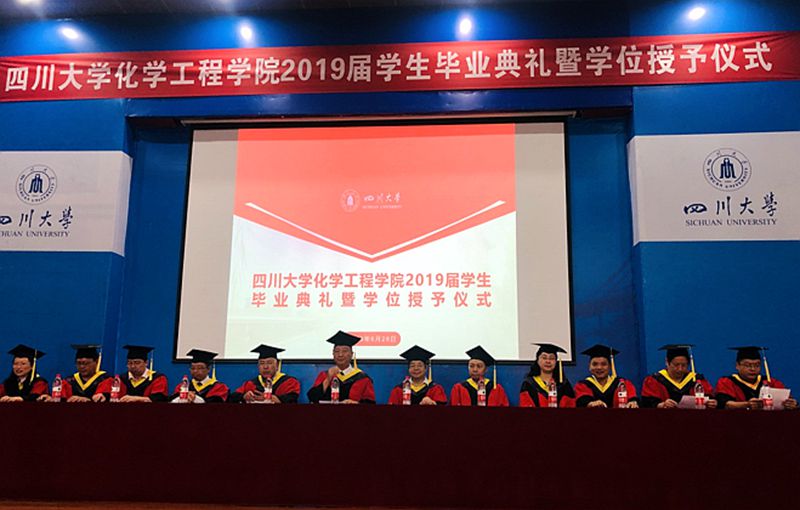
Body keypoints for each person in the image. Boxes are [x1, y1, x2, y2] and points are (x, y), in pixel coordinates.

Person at [715, 346, 797, 410]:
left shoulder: (771, 382)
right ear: (737, 365)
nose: (753, 369)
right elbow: (724, 404)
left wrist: (792, 404)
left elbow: (788, 400)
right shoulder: (727, 382)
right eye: (748, 365)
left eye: (757, 365)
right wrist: (747, 404)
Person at [307, 331, 375, 404]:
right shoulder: (324, 375)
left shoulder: (363, 378)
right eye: (337, 351)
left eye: (345, 351)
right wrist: (328, 379)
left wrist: (356, 404)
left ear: (351, 354)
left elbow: (370, 404)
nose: (340, 354)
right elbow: (312, 398)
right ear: (333, 354)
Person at [641, 344, 717, 409]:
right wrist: (661, 405)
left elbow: (709, 398)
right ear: (667, 362)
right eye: (676, 365)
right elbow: (646, 404)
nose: (680, 369)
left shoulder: (697, 380)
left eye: (684, 365)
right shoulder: (655, 380)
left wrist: (712, 403)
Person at [230, 344, 301, 404]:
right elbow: (232, 397)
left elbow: (292, 400)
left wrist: (272, 398)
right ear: (258, 366)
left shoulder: (289, 382)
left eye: (269, 363)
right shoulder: (250, 384)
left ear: (277, 365)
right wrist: (244, 396)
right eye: (262, 363)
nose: (265, 367)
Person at [41, 344, 112, 403]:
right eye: (78, 363)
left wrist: (87, 400)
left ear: (96, 362)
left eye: (86, 363)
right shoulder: (69, 381)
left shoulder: (105, 380)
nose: (82, 366)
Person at [574, 344, 638, 408]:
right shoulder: (583, 385)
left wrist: (633, 402)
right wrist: (590, 404)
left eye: (604, 364)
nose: (599, 367)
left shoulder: (623, 383)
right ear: (589, 367)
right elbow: (582, 400)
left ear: (610, 366)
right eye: (595, 364)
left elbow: (632, 398)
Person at [519, 343, 575, 408]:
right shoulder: (529, 384)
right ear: (537, 360)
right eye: (544, 358)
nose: (548, 361)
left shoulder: (563, 384)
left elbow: (570, 407)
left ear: (556, 362)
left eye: (551, 358)